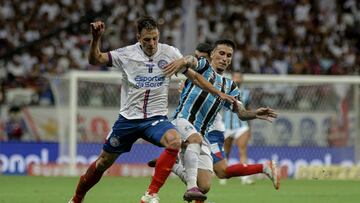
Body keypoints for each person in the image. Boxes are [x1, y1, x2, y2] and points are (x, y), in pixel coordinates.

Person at [68, 16, 236, 203]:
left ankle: (151, 194)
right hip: (128, 119)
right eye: (147, 39)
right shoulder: (126, 54)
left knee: (174, 141)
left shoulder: (170, 53)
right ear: (138, 37)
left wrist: (218, 93)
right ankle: (76, 198)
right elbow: (95, 59)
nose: (152, 43)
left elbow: (195, 77)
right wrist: (96, 38)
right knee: (103, 162)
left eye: (155, 38)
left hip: (155, 119)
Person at [156, 39, 279, 203]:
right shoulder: (204, 67)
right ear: (212, 54)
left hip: (202, 134)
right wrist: (183, 60)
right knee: (198, 148)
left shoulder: (231, 86)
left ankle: (173, 165)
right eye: (221, 53)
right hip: (182, 121)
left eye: (229, 55)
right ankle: (182, 186)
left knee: (205, 185)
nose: (225, 58)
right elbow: (191, 60)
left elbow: (241, 113)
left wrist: (254, 113)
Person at [220, 71, 254, 185]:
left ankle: (244, 177)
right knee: (226, 152)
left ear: (242, 79)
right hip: (226, 126)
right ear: (232, 79)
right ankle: (223, 175)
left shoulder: (246, 93)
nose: (238, 79)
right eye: (236, 77)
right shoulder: (224, 92)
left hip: (242, 126)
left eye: (239, 77)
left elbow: (249, 110)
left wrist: (250, 128)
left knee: (243, 151)